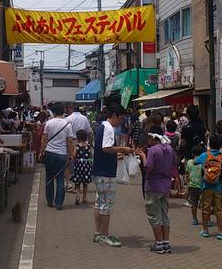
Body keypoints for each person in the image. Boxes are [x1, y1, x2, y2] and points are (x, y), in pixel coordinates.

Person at [92, 104, 132, 247]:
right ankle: (105, 235)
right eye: (120, 118)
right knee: (106, 204)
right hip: (105, 172)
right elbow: (107, 148)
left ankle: (98, 233)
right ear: (114, 115)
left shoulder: (102, 126)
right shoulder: (109, 128)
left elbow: (104, 149)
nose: (121, 122)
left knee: (99, 203)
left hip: (100, 170)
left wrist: (117, 152)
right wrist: (122, 149)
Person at [136, 126, 175, 254]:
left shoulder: (153, 150)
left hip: (153, 185)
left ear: (153, 137)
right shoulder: (169, 148)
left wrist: (142, 155)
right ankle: (166, 242)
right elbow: (175, 162)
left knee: (154, 215)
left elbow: (148, 167)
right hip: (165, 185)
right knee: (164, 214)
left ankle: (159, 243)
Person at [40, 102, 75, 210]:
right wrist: (70, 154)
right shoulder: (67, 124)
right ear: (63, 112)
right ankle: (59, 203)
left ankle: (50, 201)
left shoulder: (49, 123)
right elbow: (70, 141)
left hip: (50, 153)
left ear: (54, 112)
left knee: (49, 177)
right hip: (62, 154)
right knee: (61, 179)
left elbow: (44, 138)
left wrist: (42, 151)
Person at [196, 134, 222, 240]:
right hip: (219, 187)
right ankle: (220, 232)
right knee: (219, 209)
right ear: (221, 146)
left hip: (206, 186)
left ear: (209, 144)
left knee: (206, 208)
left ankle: (205, 230)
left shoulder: (205, 155)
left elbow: (195, 162)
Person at [71, 129, 92, 205]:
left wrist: (73, 160)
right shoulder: (88, 146)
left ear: (78, 138)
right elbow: (91, 155)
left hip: (78, 165)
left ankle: (77, 196)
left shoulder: (76, 146)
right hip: (86, 165)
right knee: (85, 183)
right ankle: (85, 197)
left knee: (77, 183)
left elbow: (74, 155)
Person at [185, 144, 204, 225]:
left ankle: (194, 219)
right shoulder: (203, 162)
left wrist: (188, 183)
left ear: (192, 154)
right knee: (205, 204)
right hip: (203, 186)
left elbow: (187, 173)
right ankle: (207, 220)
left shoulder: (189, 162)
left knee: (193, 204)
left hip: (192, 186)